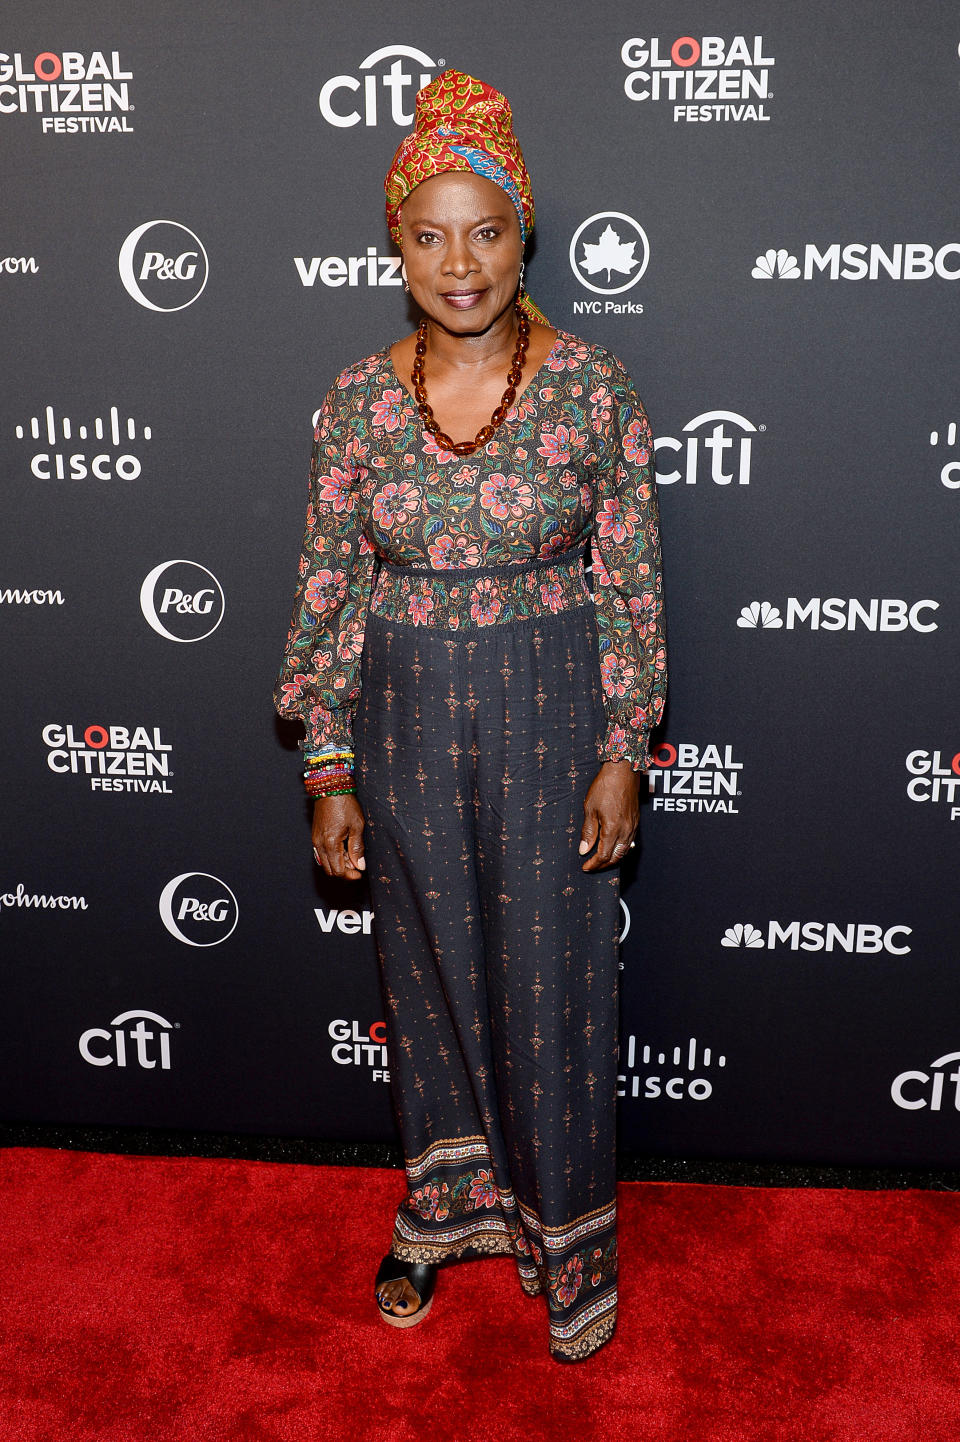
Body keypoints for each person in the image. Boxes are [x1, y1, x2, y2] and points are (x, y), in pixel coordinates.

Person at [274, 69, 666, 1363]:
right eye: (431, 232)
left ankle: (565, 1240)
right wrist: (328, 767)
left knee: (551, 982)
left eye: (486, 230)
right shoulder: (354, 401)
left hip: (553, 709)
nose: (461, 262)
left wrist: (624, 748)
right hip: (400, 717)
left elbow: (631, 586)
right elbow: (330, 586)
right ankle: (444, 1214)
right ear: (396, 238)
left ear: (525, 234)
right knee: (427, 973)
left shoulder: (595, 389)